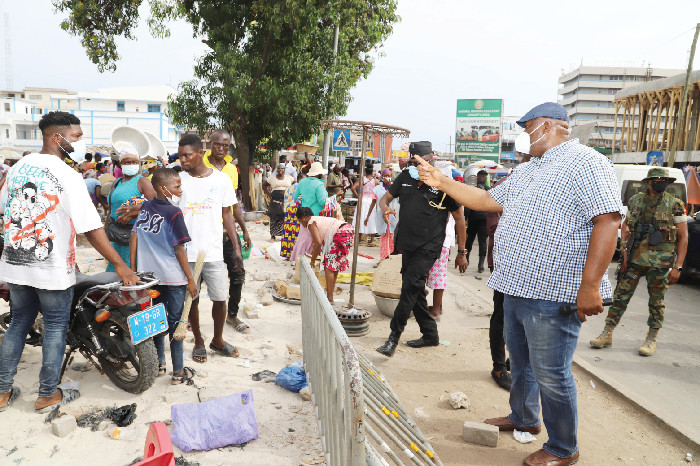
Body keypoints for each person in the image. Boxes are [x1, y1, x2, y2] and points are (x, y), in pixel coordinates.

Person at [414, 102, 623, 466]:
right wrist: (441, 181)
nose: (526, 136)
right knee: (522, 363)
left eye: (530, 128)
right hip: (516, 287)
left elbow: (608, 220)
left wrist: (590, 286)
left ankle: (563, 447)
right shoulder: (529, 170)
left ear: (552, 126)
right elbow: (486, 199)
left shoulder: (587, 162)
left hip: (554, 293)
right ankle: (524, 417)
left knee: (551, 373)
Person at [0, 111, 138, 413]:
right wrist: (121, 266)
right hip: (50, 270)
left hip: (16, 264)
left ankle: (2, 391)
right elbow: (92, 230)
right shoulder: (68, 176)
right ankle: (47, 394)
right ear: (57, 137)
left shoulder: (18, 167)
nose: (80, 141)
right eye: (76, 136)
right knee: (54, 327)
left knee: (18, 324)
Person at [376, 142, 467, 356]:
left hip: (429, 246)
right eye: (412, 161)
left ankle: (393, 337)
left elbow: (460, 217)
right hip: (407, 243)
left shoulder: (443, 183)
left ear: (430, 160)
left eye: (419, 161)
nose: (415, 165)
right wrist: (385, 209)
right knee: (415, 290)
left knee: (409, 287)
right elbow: (385, 198)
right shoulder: (405, 178)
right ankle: (430, 334)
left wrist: (462, 252)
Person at [590, 167, 687, 356]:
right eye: (658, 180)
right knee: (620, 297)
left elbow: (683, 236)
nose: (662, 183)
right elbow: (626, 226)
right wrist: (624, 253)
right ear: (649, 182)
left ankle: (651, 338)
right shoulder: (635, 201)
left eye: (665, 180)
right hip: (634, 260)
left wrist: (678, 266)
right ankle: (607, 333)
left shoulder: (674, 204)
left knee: (656, 302)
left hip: (660, 263)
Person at [177, 134, 243, 363]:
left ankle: (218, 339)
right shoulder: (179, 180)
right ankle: (198, 340)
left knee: (219, 298)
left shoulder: (221, 180)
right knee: (191, 300)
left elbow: (228, 214)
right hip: (187, 252)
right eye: (180, 155)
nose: (182, 160)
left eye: (187, 155)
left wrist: (236, 247)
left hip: (213, 251)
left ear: (199, 153)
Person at [130, 168, 198, 385]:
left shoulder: (146, 207)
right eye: (176, 186)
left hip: (149, 278)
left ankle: (159, 364)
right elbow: (179, 250)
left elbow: (134, 236)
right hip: (173, 278)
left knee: (157, 322)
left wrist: (133, 270)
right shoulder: (174, 213)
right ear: (163, 188)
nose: (180, 189)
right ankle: (178, 372)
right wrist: (190, 278)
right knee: (177, 324)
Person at [486, 133, 532, 392]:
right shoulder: (502, 190)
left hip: (530, 266)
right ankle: (498, 365)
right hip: (505, 264)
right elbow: (496, 230)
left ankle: (514, 360)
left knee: (523, 316)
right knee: (502, 314)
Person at [203, 129, 251, 334]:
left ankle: (231, 315)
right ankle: (186, 317)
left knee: (238, 271)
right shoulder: (199, 163)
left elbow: (233, 204)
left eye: (225, 145)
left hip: (227, 230)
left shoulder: (232, 169)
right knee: (197, 276)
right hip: (204, 231)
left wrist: (244, 230)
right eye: (217, 144)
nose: (221, 148)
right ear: (210, 143)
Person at [426, 163, 468, 320]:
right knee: (436, 273)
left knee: (437, 274)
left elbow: (458, 220)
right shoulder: (447, 192)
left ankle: (435, 311)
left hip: (441, 239)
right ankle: (438, 306)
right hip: (442, 239)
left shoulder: (447, 194)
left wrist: (462, 252)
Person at [105, 147, 157, 272]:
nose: (130, 165)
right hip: (117, 236)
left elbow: (156, 206)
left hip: (135, 237)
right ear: (120, 164)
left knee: (133, 273)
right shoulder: (117, 182)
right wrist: (105, 233)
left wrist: (135, 213)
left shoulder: (142, 181)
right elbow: (111, 209)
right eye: (127, 162)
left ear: (139, 163)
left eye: (134, 162)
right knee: (115, 275)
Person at [296, 207, 354, 304]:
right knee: (333, 265)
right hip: (348, 230)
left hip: (341, 233)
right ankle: (330, 295)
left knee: (329, 267)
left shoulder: (311, 223)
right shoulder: (317, 219)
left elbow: (318, 243)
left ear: (303, 218)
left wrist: (312, 260)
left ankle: (329, 299)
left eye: (300, 221)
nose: (301, 224)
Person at [367, 169, 398, 260]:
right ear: (382, 177)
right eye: (386, 175)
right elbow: (373, 203)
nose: (387, 177)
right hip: (381, 215)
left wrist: (390, 187)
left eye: (389, 175)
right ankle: (384, 257)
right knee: (384, 236)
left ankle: (391, 257)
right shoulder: (376, 189)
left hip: (392, 215)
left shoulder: (395, 188)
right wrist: (368, 216)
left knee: (392, 236)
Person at [464, 170, 490, 273]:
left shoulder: (473, 189)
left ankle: (466, 260)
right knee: (482, 241)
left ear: (478, 178)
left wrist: (466, 218)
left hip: (473, 217)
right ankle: (481, 265)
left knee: (470, 239)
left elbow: (468, 205)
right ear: (486, 178)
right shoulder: (490, 190)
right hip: (485, 218)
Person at [263, 163, 294, 241]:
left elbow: (295, 185)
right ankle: (273, 236)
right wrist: (268, 194)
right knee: (274, 217)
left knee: (285, 217)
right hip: (274, 200)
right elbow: (264, 185)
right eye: (279, 168)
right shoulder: (272, 178)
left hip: (286, 200)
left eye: (282, 168)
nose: (280, 170)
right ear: (277, 170)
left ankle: (284, 235)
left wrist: (290, 192)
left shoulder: (289, 178)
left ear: (284, 170)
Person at [352, 166, 379, 245]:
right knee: (372, 218)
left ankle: (360, 239)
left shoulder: (362, 180)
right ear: (372, 172)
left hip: (363, 201)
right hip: (371, 201)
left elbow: (353, 188)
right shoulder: (375, 181)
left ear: (365, 172)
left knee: (361, 218)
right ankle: (372, 239)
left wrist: (358, 196)